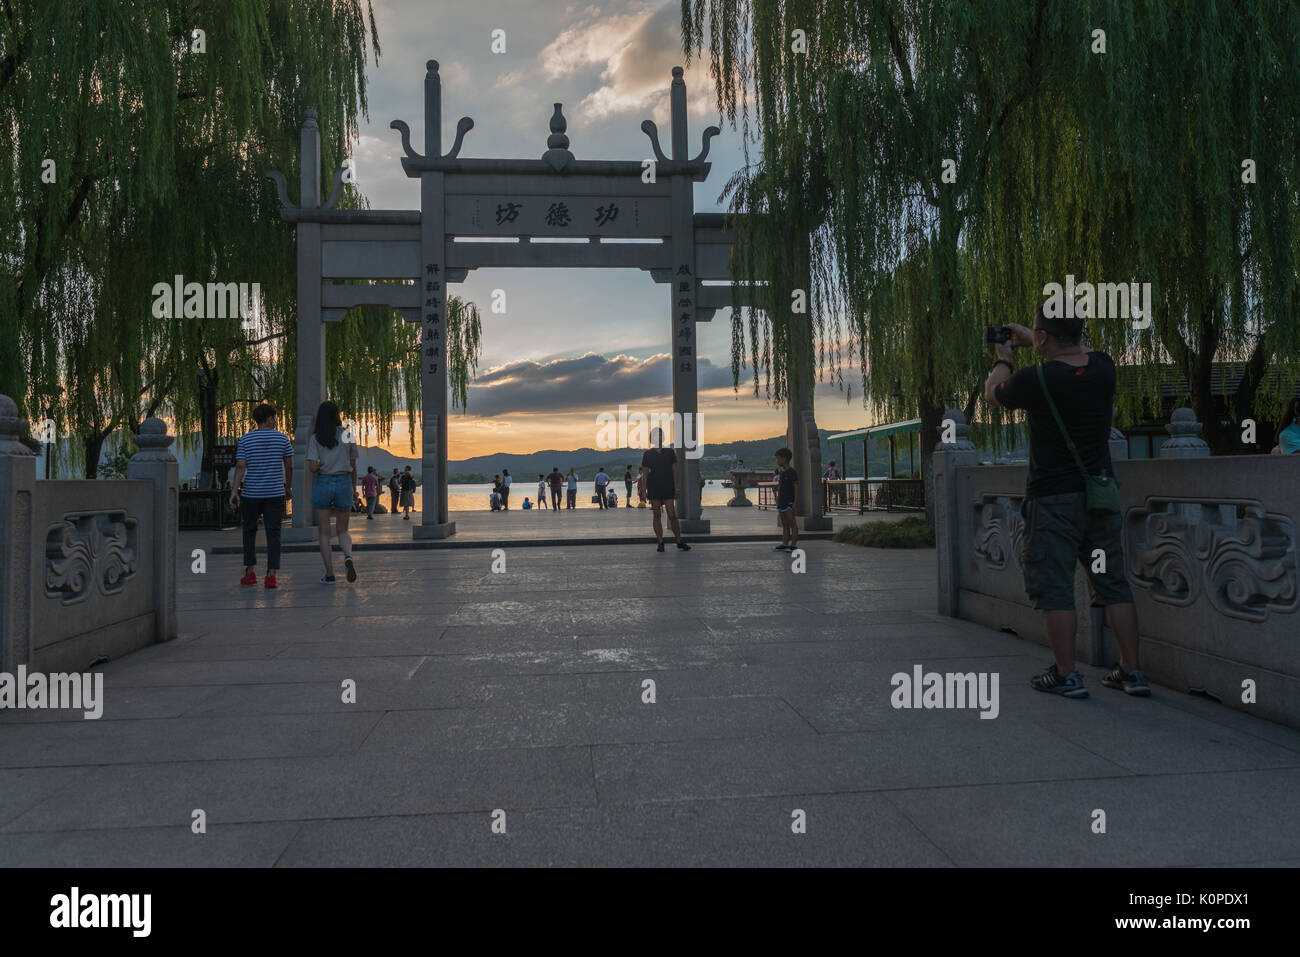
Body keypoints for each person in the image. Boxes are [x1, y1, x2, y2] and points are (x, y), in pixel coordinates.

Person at [986, 296, 1147, 699]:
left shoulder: (1035, 380)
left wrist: (1005, 357)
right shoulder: (1104, 368)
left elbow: (993, 393)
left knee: (1054, 588)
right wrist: (1040, 336)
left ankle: (1066, 674)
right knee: (1113, 583)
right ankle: (1132, 672)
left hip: (1053, 500)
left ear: (1043, 338)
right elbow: (1080, 353)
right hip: (1100, 497)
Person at [229, 403, 293, 589]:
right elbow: (289, 465)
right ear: (269, 418)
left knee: (249, 531)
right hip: (275, 493)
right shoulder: (282, 438)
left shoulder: (245, 439)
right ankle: (271, 575)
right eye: (274, 417)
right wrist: (288, 487)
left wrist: (234, 491)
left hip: (251, 494)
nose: (275, 421)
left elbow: (241, 466)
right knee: (274, 534)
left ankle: (250, 572)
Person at [306, 400, 359, 585]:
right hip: (344, 481)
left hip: (324, 481)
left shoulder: (316, 438)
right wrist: (353, 488)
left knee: (324, 533)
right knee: (343, 530)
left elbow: (313, 467)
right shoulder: (347, 435)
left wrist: (321, 463)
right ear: (337, 415)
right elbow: (353, 465)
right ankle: (348, 556)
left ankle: (329, 575)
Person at [639, 427, 690, 552]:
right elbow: (644, 474)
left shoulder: (670, 452)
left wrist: (676, 487)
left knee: (672, 515)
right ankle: (660, 542)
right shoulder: (647, 454)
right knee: (656, 515)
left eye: (660, 435)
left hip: (668, 486)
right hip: (654, 486)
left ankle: (679, 541)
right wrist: (644, 491)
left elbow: (675, 470)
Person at [772, 447, 799, 552]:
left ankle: (793, 545)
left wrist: (795, 502)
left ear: (785, 459)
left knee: (792, 523)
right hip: (782, 501)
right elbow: (781, 487)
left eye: (778, 459)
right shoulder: (781, 472)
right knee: (784, 523)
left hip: (789, 502)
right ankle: (785, 543)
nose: (777, 461)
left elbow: (796, 487)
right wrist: (777, 498)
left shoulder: (792, 472)